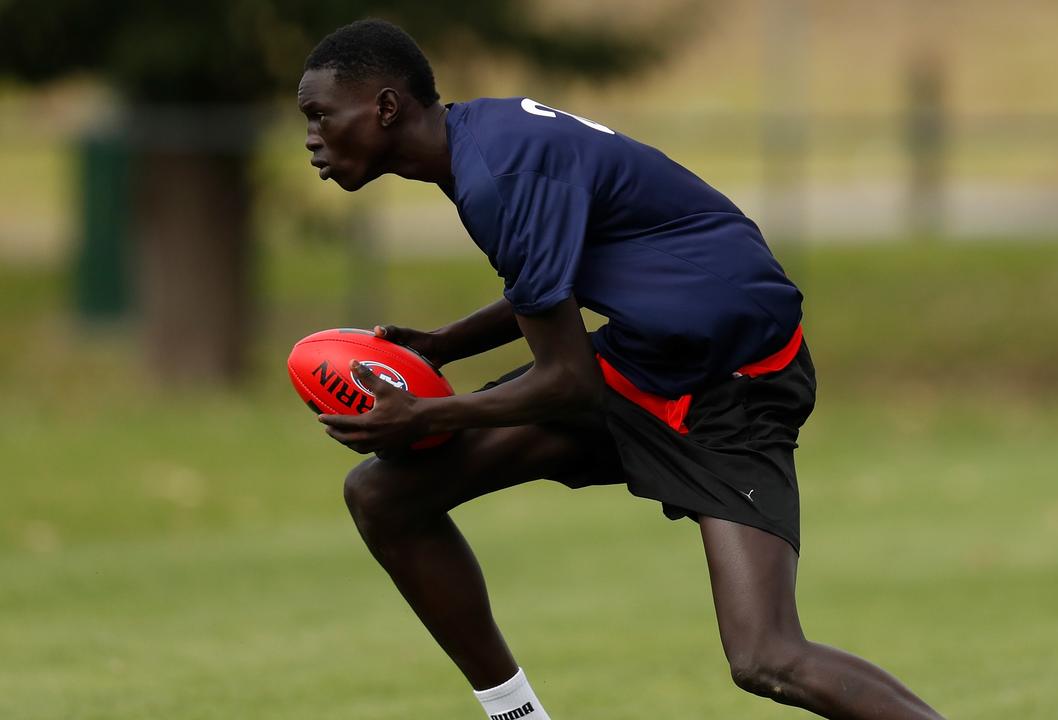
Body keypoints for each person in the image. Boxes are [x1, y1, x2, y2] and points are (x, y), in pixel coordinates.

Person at [299, 18, 943, 720]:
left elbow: (566, 381)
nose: (310, 138)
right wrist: (445, 345)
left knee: (767, 658)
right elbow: (550, 282)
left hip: (733, 385)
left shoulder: (499, 172)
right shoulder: (484, 145)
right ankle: (518, 716)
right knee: (385, 497)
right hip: (643, 366)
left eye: (320, 115)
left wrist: (428, 413)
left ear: (386, 108)